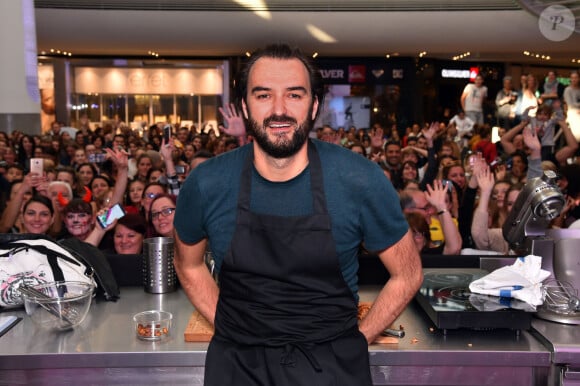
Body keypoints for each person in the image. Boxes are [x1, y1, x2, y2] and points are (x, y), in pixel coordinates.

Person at [173, 44, 422, 386]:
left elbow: (407, 273)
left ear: (314, 104)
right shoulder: (207, 183)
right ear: (245, 106)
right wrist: (232, 325)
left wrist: (355, 340)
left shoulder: (360, 180)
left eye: (294, 95)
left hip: (333, 368)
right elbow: (189, 265)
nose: (279, 110)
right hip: (237, 366)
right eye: (263, 96)